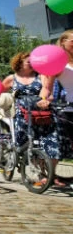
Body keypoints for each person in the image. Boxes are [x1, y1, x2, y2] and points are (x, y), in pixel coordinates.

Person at [7, 51, 63, 187]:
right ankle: (39, 171)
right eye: (28, 61)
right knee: (25, 142)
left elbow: (45, 88)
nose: (32, 64)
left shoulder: (41, 76)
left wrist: (43, 99)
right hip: (22, 113)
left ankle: (45, 174)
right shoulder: (11, 78)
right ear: (19, 62)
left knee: (48, 142)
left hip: (40, 111)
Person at [41, 29, 73, 167]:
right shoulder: (59, 63)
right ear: (63, 42)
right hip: (68, 109)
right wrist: (44, 98)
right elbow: (47, 86)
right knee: (61, 143)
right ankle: (48, 174)